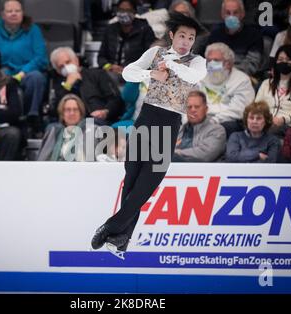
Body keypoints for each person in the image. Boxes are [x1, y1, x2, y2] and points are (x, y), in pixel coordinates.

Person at [91, 12, 207, 258]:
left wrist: (173, 64)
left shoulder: (197, 61)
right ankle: (120, 240)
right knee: (131, 177)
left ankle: (111, 226)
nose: (186, 41)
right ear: (172, 35)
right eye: (182, 35)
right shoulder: (155, 54)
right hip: (146, 118)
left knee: (149, 182)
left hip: (169, 122)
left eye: (191, 37)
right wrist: (151, 74)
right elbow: (128, 73)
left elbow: (193, 77)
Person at [0, 0, 48, 121]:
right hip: (1, 70)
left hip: (27, 72)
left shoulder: (33, 30)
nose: (14, 14)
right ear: (3, 15)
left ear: (22, 13)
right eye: (10, 11)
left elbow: (41, 57)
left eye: (17, 11)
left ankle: (32, 117)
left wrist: (23, 72)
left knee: (37, 77)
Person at [49, 47, 124, 125]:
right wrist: (67, 85)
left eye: (68, 62)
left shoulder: (97, 74)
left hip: (99, 122)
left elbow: (116, 100)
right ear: (58, 71)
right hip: (72, 124)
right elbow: (55, 111)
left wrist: (106, 112)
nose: (66, 68)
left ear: (76, 61)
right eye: (61, 67)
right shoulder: (60, 84)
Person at [199, 43, 255, 138]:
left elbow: (237, 111)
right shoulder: (200, 76)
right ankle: (170, 148)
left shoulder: (242, 80)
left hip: (225, 121)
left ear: (228, 63)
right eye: (208, 60)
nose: (211, 64)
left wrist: (213, 121)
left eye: (216, 60)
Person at [256, 44, 291, 136]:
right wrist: (265, 118)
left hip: (289, 125)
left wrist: (283, 119)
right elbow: (257, 106)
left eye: (288, 59)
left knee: (269, 130)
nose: (284, 62)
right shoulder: (266, 83)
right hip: (266, 121)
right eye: (280, 59)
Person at [98, 0, 156, 82]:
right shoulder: (110, 29)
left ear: (134, 12)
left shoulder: (145, 30)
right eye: (121, 10)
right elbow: (101, 57)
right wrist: (109, 66)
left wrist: (127, 69)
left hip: (133, 73)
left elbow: (149, 57)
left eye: (127, 10)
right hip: (111, 71)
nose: (124, 13)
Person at [206, 0, 264, 77]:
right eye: (228, 13)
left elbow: (252, 64)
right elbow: (209, 60)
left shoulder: (254, 35)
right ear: (222, 15)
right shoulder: (215, 34)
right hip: (217, 75)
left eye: (235, 13)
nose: (231, 16)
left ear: (242, 14)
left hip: (243, 77)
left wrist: (228, 72)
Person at [37, 94, 95, 162]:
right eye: (68, 110)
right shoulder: (54, 132)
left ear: (80, 113)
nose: (72, 113)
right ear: (62, 113)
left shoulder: (90, 131)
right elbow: (43, 159)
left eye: (75, 109)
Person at [173, 90, 226, 162]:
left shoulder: (217, 130)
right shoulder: (177, 130)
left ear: (206, 109)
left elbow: (205, 154)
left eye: (197, 107)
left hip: (203, 171)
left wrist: (175, 153)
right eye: (189, 107)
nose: (193, 110)